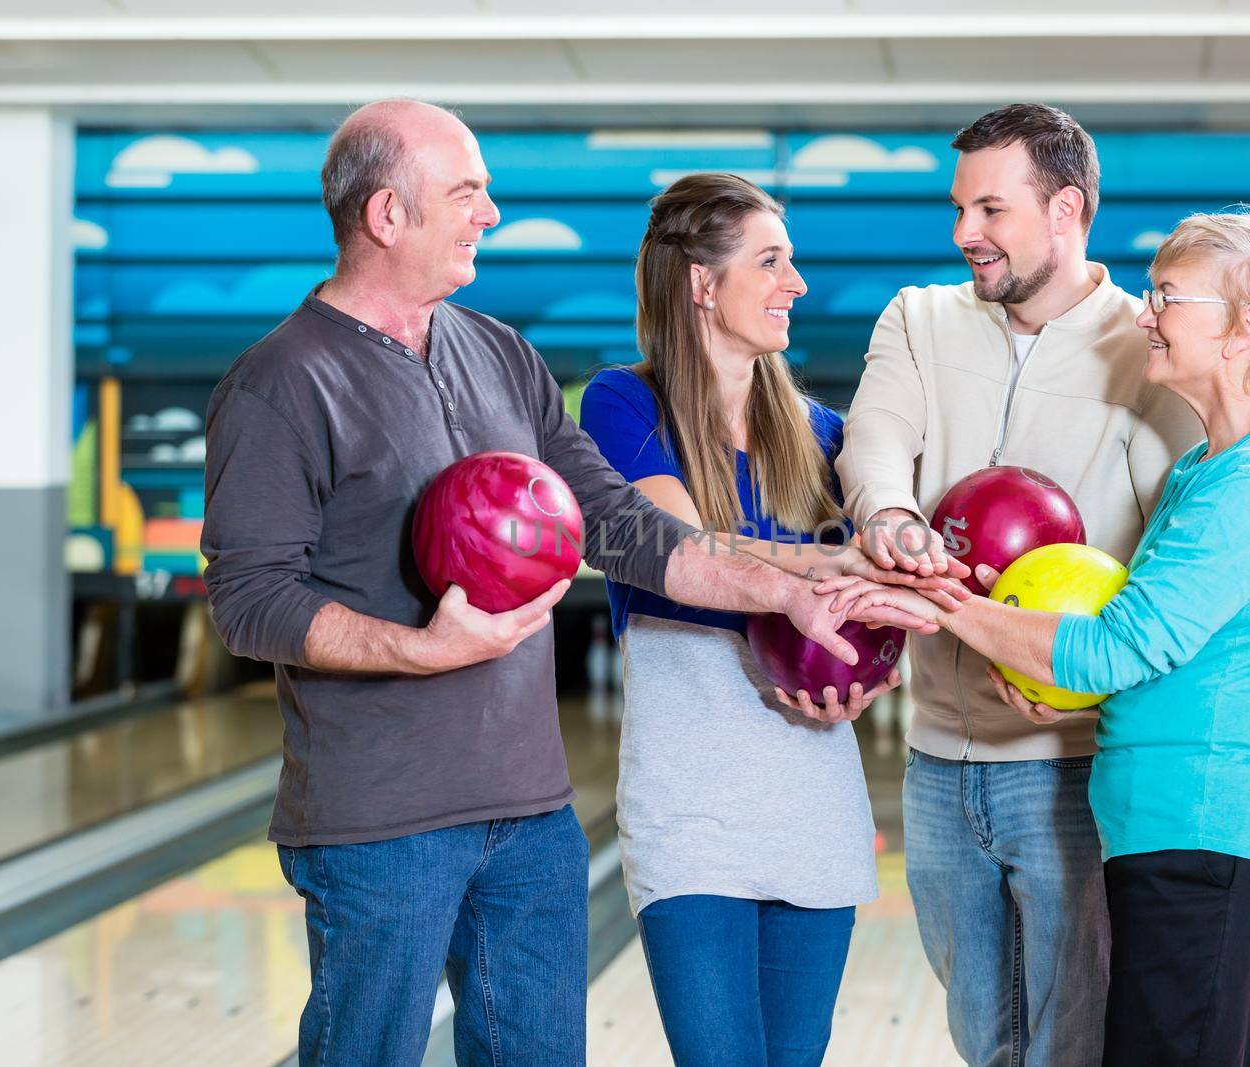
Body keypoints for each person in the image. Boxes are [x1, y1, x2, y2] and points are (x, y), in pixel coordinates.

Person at [201, 100, 927, 1067]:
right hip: (378, 822)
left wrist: (786, 590)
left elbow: (623, 526)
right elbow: (251, 599)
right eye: (467, 194)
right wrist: (421, 649)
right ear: (387, 215)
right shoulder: (280, 383)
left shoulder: (498, 352)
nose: (489, 214)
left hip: (531, 814)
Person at [873, 209, 1250, 1067]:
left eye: (1167, 295)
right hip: (1175, 839)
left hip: (1215, 845)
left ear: (1246, 327)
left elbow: (1112, 650)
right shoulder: (1209, 469)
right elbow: (1141, 657)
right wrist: (1049, 681)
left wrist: (938, 597)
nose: (1143, 314)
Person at [835, 104, 1202, 1065]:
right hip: (938, 764)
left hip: (1076, 766)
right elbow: (875, 439)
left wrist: (1091, 688)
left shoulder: (1151, 350)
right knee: (983, 1040)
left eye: (990, 209)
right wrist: (887, 512)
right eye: (960, 208)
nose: (965, 234)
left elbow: (1180, 568)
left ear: (1066, 209)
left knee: (1070, 1042)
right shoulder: (918, 317)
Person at [579, 173, 969, 1067]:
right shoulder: (623, 403)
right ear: (700, 284)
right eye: (771, 259)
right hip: (689, 804)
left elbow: (873, 608)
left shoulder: (825, 434)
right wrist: (829, 564)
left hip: (811, 795)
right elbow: (681, 549)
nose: (796, 282)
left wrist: (871, 673)